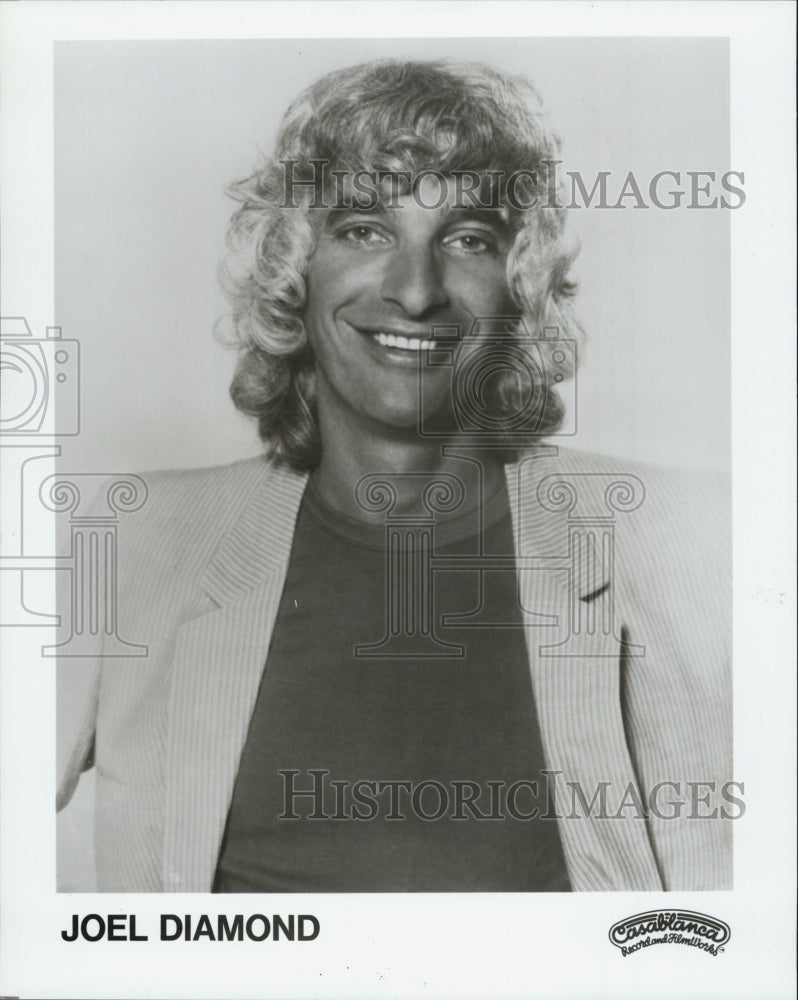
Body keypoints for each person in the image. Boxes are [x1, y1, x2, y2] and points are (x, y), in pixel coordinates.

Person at [56, 59, 732, 893]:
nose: (416, 293)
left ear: (519, 287)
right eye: (364, 229)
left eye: (469, 239)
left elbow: (737, 925)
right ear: (293, 273)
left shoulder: (690, 538)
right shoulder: (121, 542)